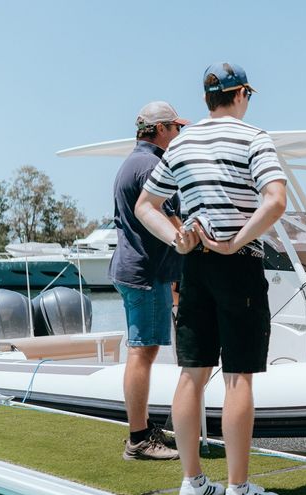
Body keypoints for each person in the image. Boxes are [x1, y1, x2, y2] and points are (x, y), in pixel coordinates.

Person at [136, 62, 287, 495]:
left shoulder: (181, 144)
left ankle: (193, 482)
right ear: (240, 94)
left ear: (206, 99)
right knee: (239, 376)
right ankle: (238, 488)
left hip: (195, 264)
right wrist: (238, 239)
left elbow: (147, 205)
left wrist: (177, 240)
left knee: (191, 374)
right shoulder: (255, 138)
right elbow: (275, 202)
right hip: (237, 264)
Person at [112, 101, 188, 461]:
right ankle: (139, 438)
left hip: (135, 269)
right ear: (160, 130)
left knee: (142, 350)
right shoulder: (152, 166)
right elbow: (172, 224)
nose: (179, 134)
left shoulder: (133, 162)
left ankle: (140, 430)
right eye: (176, 128)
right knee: (142, 352)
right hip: (145, 273)